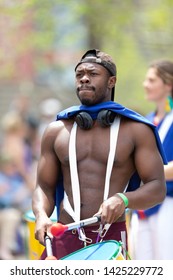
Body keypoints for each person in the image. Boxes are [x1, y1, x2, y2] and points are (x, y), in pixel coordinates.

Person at [32, 49, 166, 260]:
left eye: (93, 74)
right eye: (79, 74)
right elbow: (44, 186)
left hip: (110, 239)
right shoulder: (56, 130)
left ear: (111, 81)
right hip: (63, 234)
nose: (84, 78)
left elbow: (157, 187)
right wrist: (41, 216)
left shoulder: (136, 130)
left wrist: (124, 199)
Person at [129, 59, 173, 260]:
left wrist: (148, 174)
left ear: (168, 84)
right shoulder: (147, 121)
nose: (145, 84)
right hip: (143, 207)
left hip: (168, 203)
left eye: (151, 80)